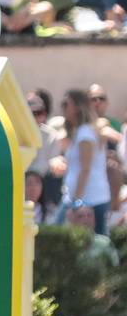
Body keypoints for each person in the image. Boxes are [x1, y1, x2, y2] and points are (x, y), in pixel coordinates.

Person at [61, 87, 111, 230]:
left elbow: (85, 169)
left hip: (90, 201)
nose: (62, 108)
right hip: (85, 199)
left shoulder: (85, 134)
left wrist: (76, 203)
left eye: (66, 104)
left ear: (77, 107)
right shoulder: (81, 131)